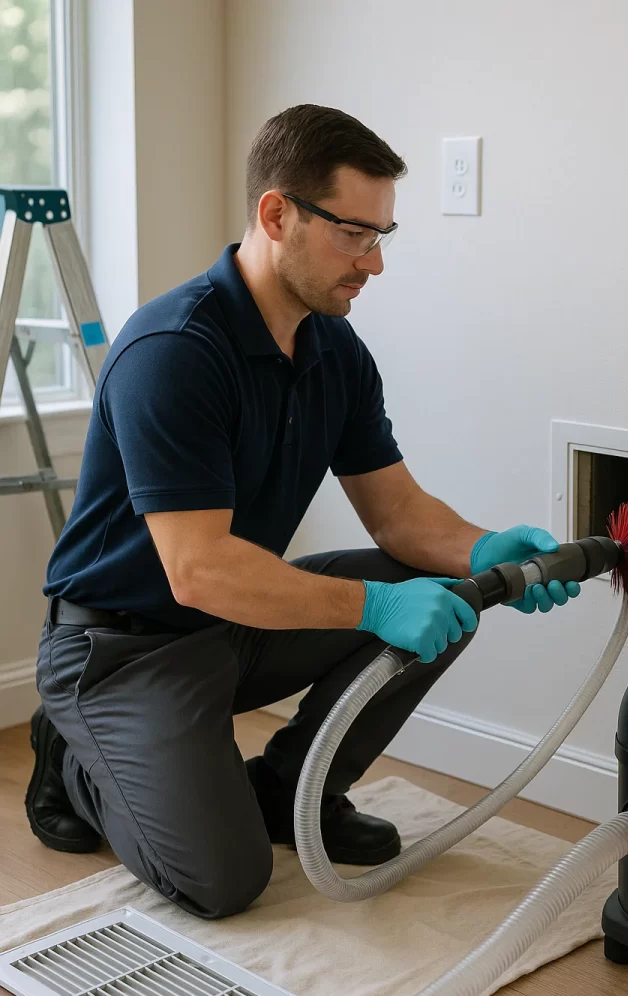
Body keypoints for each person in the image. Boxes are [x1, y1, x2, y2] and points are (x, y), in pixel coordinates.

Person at [26, 104, 580, 920]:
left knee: (449, 594)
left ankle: (294, 789)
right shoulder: (174, 352)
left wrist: (486, 549)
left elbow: (397, 515)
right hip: (120, 649)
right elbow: (199, 568)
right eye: (356, 234)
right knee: (221, 882)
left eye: (383, 236)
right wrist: (377, 605)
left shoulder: (334, 350)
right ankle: (72, 758)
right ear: (276, 213)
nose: (375, 264)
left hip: (233, 623)